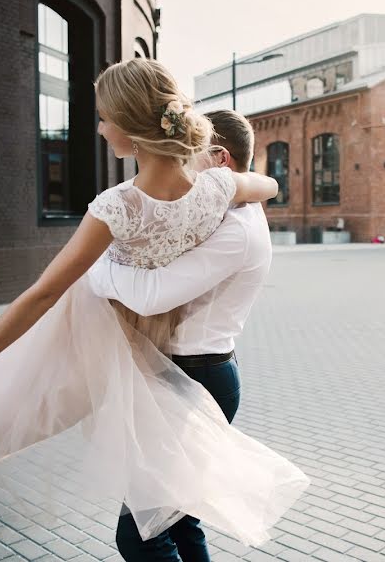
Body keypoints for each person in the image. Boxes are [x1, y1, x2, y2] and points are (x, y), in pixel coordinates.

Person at [0, 59, 309, 548]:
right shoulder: (217, 186)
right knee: (176, 520)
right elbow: (267, 184)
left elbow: (44, 293)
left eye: (105, 117)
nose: (101, 127)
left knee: (143, 537)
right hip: (170, 371)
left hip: (177, 374)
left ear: (132, 128)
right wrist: (256, 189)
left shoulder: (116, 206)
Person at [88, 109, 272, 561]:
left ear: (221, 159)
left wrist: (94, 268)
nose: (182, 168)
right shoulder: (221, 216)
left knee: (141, 535)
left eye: (190, 157)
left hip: (198, 381)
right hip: (189, 377)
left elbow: (152, 296)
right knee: (181, 522)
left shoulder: (237, 230)